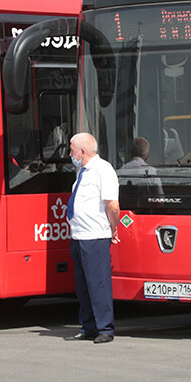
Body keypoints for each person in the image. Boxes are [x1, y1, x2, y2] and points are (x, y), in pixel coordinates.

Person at [64, 132, 120, 344]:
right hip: (78, 236)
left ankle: (105, 328)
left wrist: (113, 228)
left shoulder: (103, 169)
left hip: (95, 236)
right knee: (82, 285)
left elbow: (112, 205)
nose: (71, 155)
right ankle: (88, 327)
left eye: (72, 151)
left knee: (98, 284)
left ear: (82, 151)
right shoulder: (83, 172)